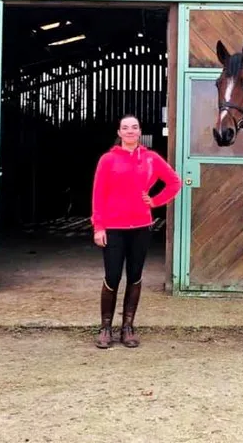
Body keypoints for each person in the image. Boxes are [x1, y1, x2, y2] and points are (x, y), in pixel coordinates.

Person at [90, 114, 181, 349]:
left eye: (134, 127)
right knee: (112, 277)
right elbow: (98, 195)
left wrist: (155, 201)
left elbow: (174, 182)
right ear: (119, 133)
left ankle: (128, 328)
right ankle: (105, 328)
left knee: (135, 276)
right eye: (125, 128)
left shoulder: (150, 158)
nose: (130, 131)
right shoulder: (107, 160)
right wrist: (98, 226)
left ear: (139, 132)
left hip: (141, 227)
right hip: (114, 228)